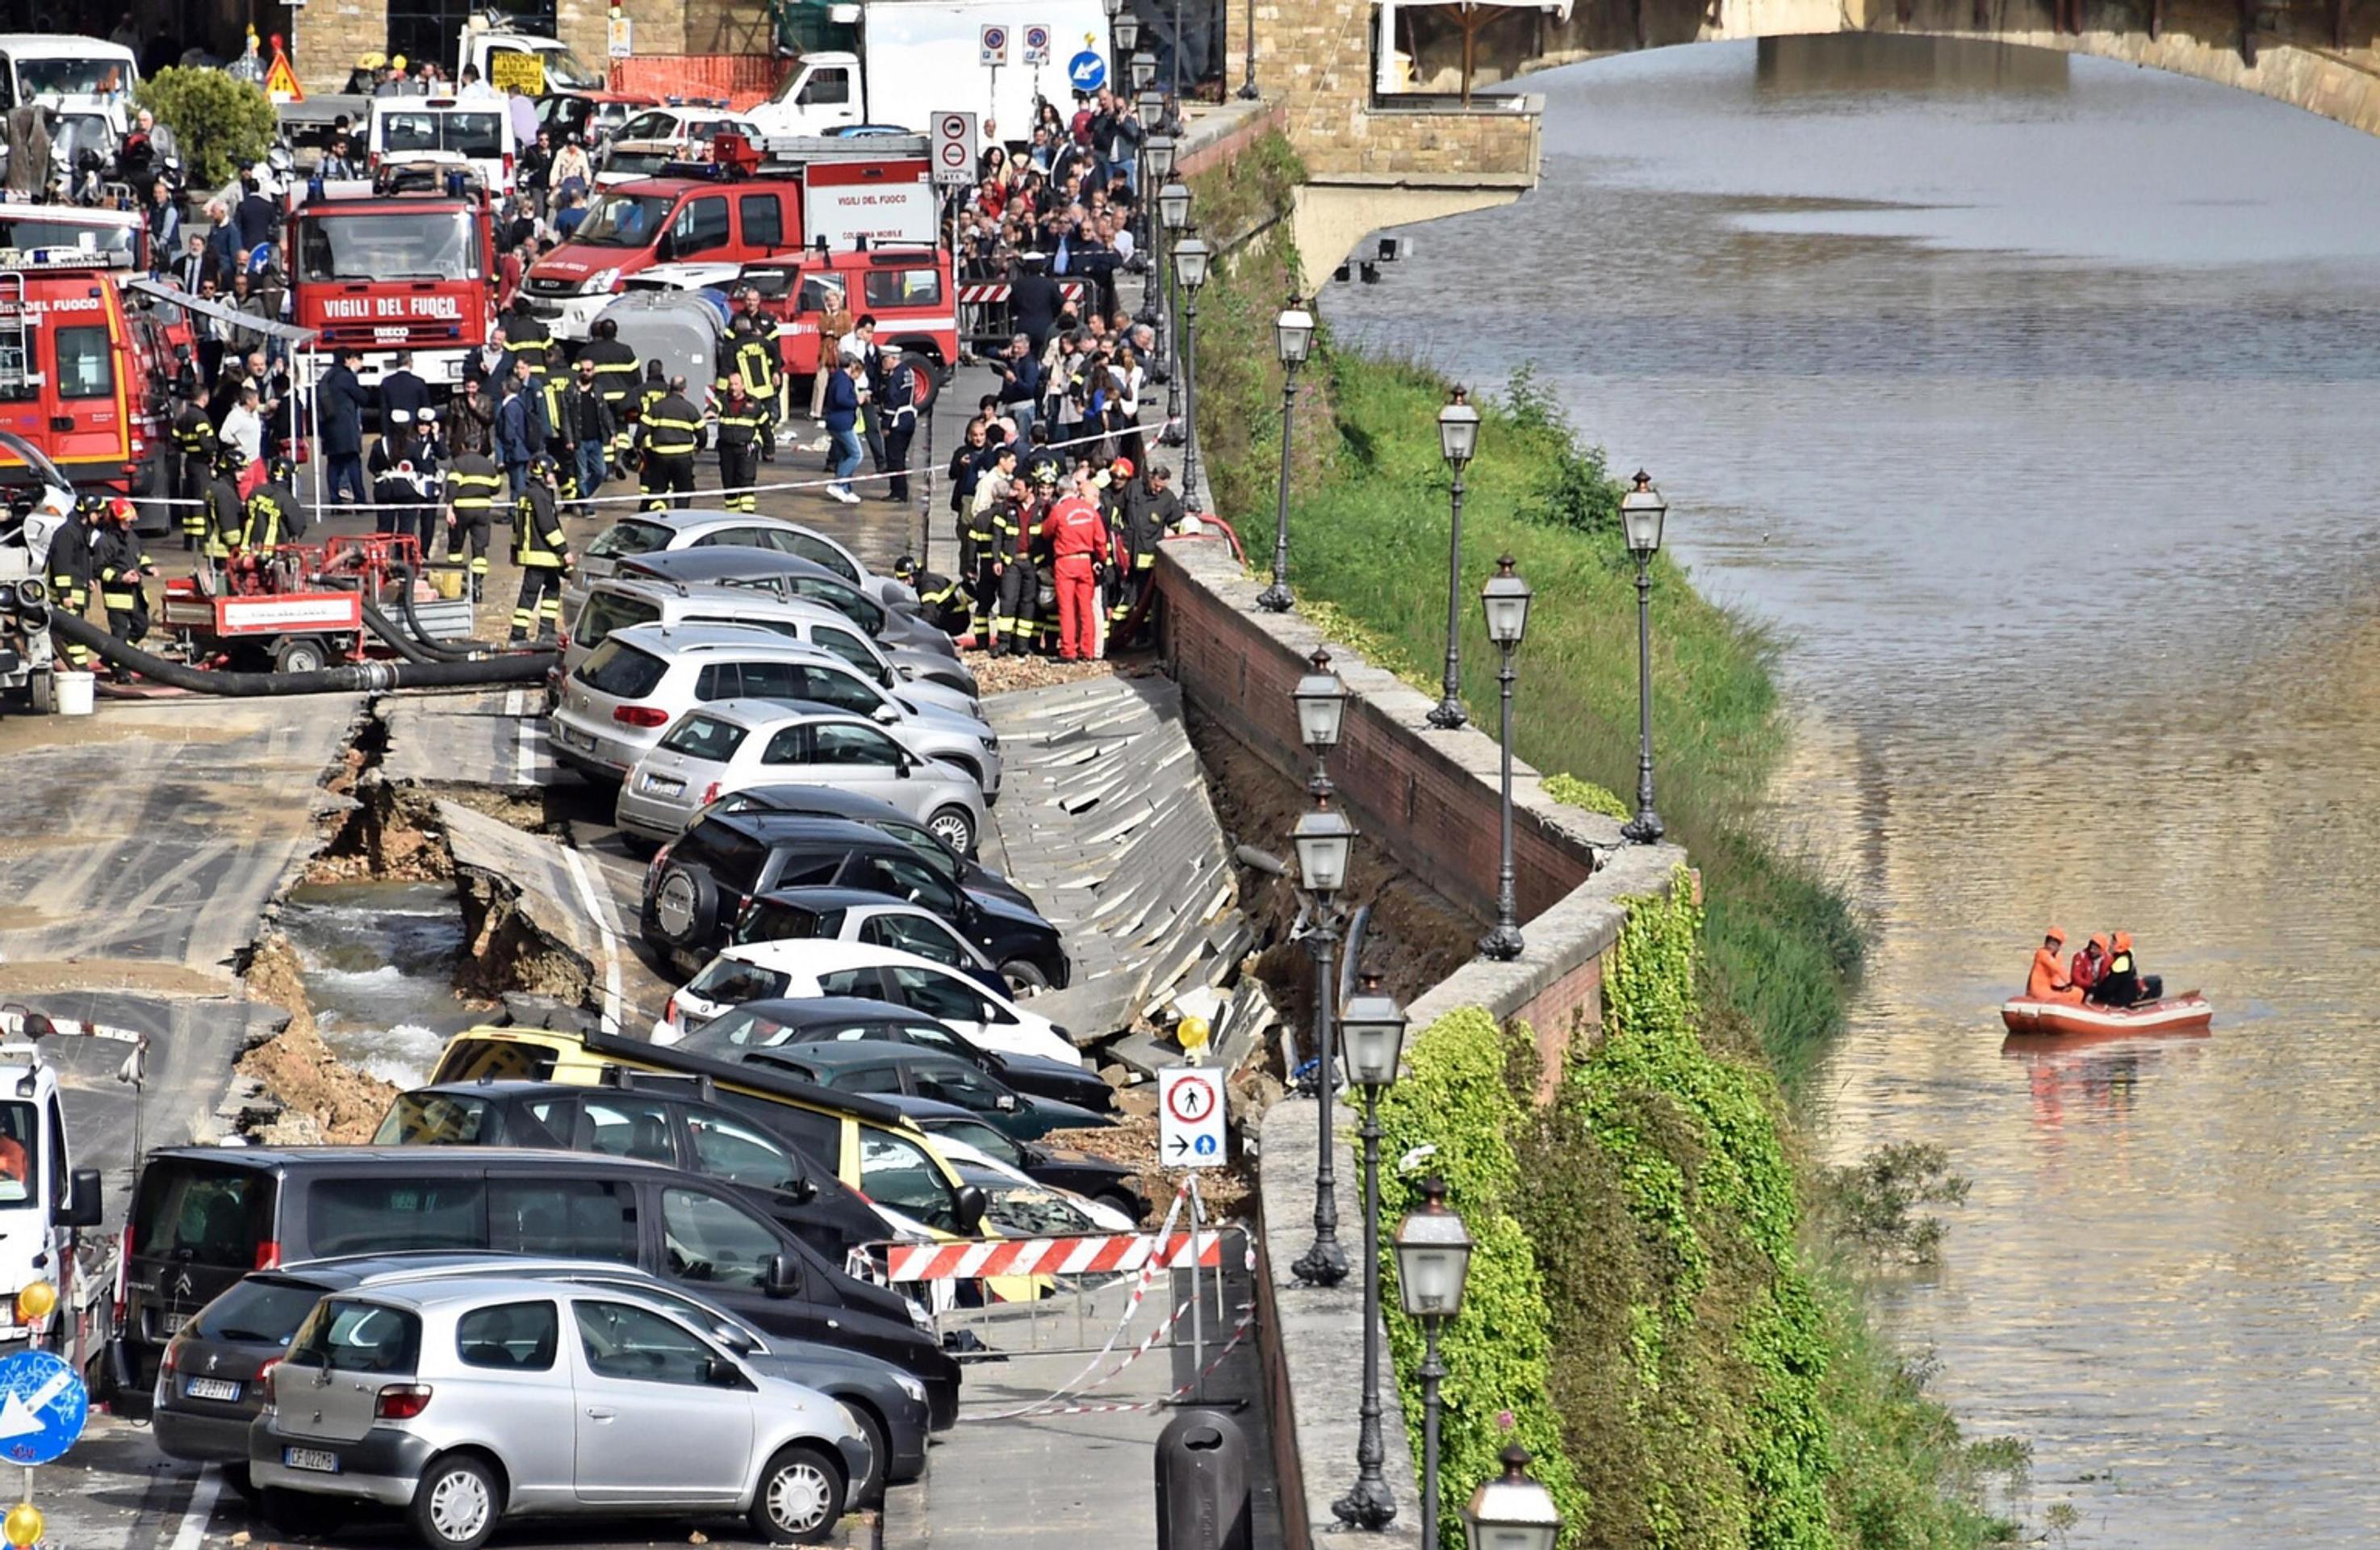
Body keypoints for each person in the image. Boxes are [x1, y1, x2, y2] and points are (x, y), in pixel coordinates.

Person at [1041, 468, 1110, 661]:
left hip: (1065, 561)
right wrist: (1102, 560)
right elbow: (1100, 540)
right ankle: (1087, 651)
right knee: (1086, 608)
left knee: (1067, 608)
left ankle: (1069, 651)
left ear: (1060, 491)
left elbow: (1046, 532)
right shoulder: (1089, 510)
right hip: (1085, 562)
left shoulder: (1059, 510)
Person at [508, 456, 570, 643]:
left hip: (539, 554)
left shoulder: (527, 493)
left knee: (553, 587)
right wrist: (565, 551)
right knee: (529, 595)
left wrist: (514, 551)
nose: (553, 477)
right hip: (542, 554)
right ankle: (518, 635)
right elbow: (548, 526)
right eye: (551, 473)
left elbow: (517, 526)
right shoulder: (540, 496)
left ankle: (546, 630)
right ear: (543, 473)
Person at [93, 498, 150, 679]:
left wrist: (149, 568)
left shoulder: (132, 537)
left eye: (131, 521)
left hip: (136, 594)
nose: (130, 524)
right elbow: (99, 570)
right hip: (117, 596)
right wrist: (121, 578)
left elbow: (141, 557)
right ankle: (121, 672)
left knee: (141, 627)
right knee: (120, 635)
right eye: (126, 521)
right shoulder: (104, 542)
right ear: (116, 520)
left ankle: (113, 656)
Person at [45, 496, 102, 674]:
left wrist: (89, 578)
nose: (100, 516)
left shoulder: (80, 531)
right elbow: (62, 565)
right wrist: (65, 595)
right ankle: (80, 671)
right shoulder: (68, 533)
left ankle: (79, 671)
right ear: (87, 512)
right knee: (74, 636)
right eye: (97, 512)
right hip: (68, 596)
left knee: (76, 634)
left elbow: (80, 561)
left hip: (78, 591)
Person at [444, 444, 503, 601]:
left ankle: (456, 585)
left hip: (461, 510)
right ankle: (477, 587)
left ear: (463, 446)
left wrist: (449, 508)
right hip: (482, 511)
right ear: (478, 447)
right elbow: (496, 487)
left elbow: (452, 487)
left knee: (456, 548)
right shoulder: (487, 464)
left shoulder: (458, 463)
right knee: (479, 550)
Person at [637, 375, 702, 511]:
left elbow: (642, 429)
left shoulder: (656, 408)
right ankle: (681, 518)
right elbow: (703, 433)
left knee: (658, 490)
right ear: (684, 390)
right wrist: (699, 446)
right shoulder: (690, 409)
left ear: (669, 389)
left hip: (660, 457)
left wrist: (637, 446)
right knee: (683, 493)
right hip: (683, 458)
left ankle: (659, 515)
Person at [317, 348, 369, 505]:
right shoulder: (346, 377)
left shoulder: (328, 376)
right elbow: (362, 397)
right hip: (345, 427)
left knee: (333, 465)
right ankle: (360, 499)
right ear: (347, 359)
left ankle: (335, 500)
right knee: (353, 463)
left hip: (329, 426)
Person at [169, 387, 216, 551]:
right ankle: (201, 539)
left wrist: (188, 448)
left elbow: (175, 440)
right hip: (201, 464)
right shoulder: (201, 418)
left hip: (189, 462)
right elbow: (205, 443)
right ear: (205, 397)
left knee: (189, 501)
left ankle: (189, 540)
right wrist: (211, 453)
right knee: (201, 501)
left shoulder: (182, 417)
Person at [714, 379, 770, 514]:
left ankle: (747, 516)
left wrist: (768, 449)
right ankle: (732, 517)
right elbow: (713, 407)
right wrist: (710, 412)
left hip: (746, 450)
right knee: (729, 485)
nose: (733, 388)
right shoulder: (723, 401)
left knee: (746, 483)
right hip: (727, 450)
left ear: (743, 386)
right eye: (731, 385)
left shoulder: (754, 403)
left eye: (736, 384)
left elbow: (766, 428)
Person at [566, 357, 613, 513]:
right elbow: (565, 416)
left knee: (600, 472)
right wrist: (569, 439)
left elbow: (605, 412)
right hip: (580, 441)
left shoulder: (598, 390)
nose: (585, 373)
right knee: (582, 474)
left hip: (596, 439)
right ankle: (586, 507)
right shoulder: (571, 390)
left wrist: (612, 433)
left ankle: (581, 496)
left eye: (588, 370)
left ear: (594, 372)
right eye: (582, 370)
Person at [495, 359, 545, 499]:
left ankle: (517, 511)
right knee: (518, 481)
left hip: (516, 452)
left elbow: (509, 430)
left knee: (518, 483)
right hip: (521, 450)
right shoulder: (519, 403)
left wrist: (508, 448)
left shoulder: (511, 406)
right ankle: (515, 510)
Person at [822, 358, 864, 504]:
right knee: (856, 454)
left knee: (845, 454)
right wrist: (857, 401)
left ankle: (846, 489)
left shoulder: (840, 378)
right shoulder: (843, 380)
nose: (859, 376)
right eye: (859, 372)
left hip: (837, 422)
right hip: (841, 423)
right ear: (853, 367)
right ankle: (838, 485)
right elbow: (840, 399)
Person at [2027, 927, 2083, 1004]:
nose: (2051, 945)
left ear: (2059, 946)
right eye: (2050, 941)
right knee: (2077, 993)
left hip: (2049, 989)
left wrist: (2062, 988)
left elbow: (2055, 978)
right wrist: (2070, 983)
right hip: (2039, 991)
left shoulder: (2058, 956)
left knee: (2078, 992)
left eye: (2055, 943)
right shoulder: (2042, 953)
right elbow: (2058, 969)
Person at [379, 350, 431, 426]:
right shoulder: (419, 383)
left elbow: (384, 411)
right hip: (413, 429)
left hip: (394, 429)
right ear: (410, 362)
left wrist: (385, 434)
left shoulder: (386, 382)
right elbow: (426, 410)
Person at [2069, 933, 2108, 1001]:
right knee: (2078, 992)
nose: (2092, 950)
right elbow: (2076, 977)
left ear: (2101, 950)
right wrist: (2090, 985)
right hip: (2082, 989)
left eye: (2095, 949)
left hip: (2097, 989)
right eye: (2091, 947)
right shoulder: (2080, 957)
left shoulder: (2108, 959)